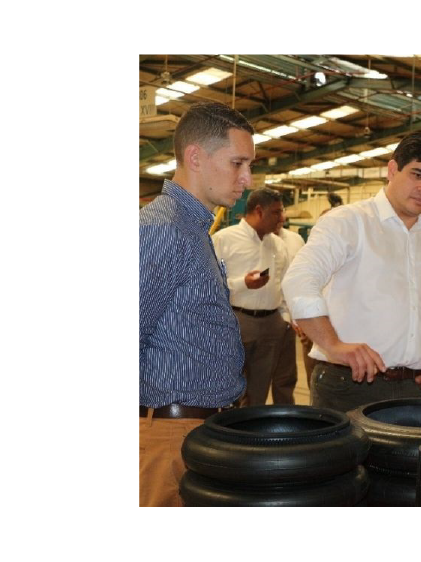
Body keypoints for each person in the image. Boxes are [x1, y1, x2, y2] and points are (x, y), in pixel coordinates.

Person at [281, 132, 421, 413]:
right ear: (392, 170)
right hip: (350, 385)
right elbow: (299, 280)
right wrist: (332, 344)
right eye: (417, 175)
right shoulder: (349, 222)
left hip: (413, 388)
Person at [139, 101, 254, 507]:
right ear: (195, 157)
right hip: (169, 436)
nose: (248, 178)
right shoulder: (163, 229)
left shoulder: (193, 228)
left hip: (199, 430)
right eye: (238, 163)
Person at [212, 188, 290, 406]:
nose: (281, 218)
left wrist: (284, 319)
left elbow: (285, 284)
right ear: (258, 211)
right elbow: (208, 285)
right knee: (229, 387)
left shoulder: (278, 245)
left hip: (271, 325)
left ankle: (250, 435)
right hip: (237, 320)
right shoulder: (223, 240)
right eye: (276, 212)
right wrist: (242, 284)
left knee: (259, 390)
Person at [271, 217, 308, 404]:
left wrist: (298, 316)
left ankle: (284, 417)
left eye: (281, 212)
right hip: (260, 315)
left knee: (285, 376)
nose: (280, 218)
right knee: (254, 378)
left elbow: (301, 280)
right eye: (275, 213)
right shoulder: (232, 239)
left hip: (290, 317)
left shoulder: (295, 240)